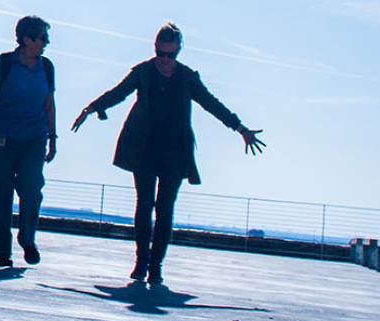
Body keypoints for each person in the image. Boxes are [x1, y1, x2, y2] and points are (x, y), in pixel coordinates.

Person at [71, 23, 263, 286]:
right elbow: (119, 92)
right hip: (144, 148)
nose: (164, 60)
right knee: (144, 205)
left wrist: (240, 128)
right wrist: (91, 108)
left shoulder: (187, 77)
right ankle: (140, 262)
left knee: (165, 209)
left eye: (170, 55)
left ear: (178, 52)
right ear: (155, 49)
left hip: (175, 151)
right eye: (160, 53)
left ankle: (156, 266)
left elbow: (212, 104)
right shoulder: (143, 72)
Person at [0, 15, 56, 267]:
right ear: (27, 39)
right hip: (1, 136)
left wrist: (53, 137)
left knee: (32, 188)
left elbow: (49, 104)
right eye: (42, 38)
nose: (46, 42)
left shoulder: (47, 67)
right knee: (0, 193)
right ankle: (2, 252)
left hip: (34, 138)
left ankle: (27, 239)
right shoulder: (3, 63)